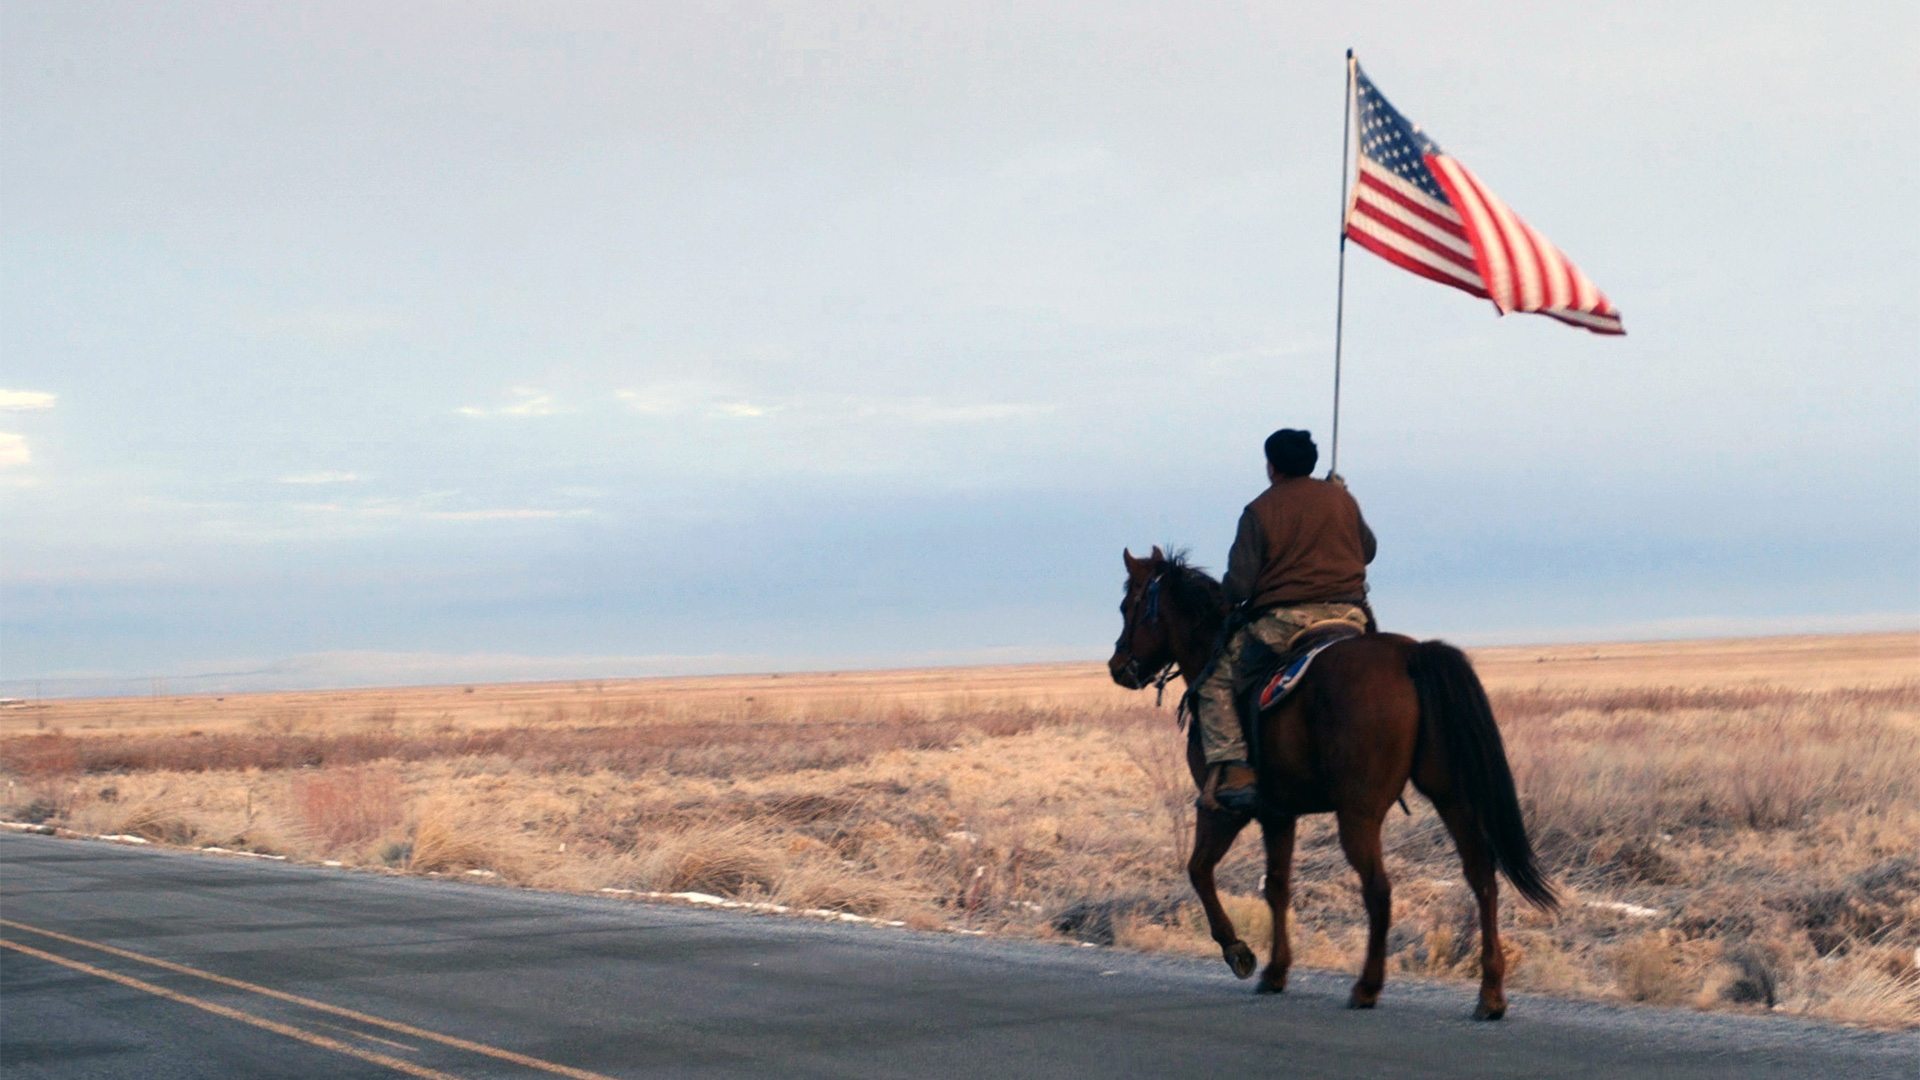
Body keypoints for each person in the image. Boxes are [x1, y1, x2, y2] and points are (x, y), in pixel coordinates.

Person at [1194, 428, 1376, 812]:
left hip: (1288, 624)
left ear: (1272, 466)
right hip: (1351, 618)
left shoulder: (1259, 510)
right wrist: (1343, 496)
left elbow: (1239, 584)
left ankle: (1234, 770)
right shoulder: (1341, 499)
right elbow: (1369, 550)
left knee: (1214, 680)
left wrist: (1226, 598)